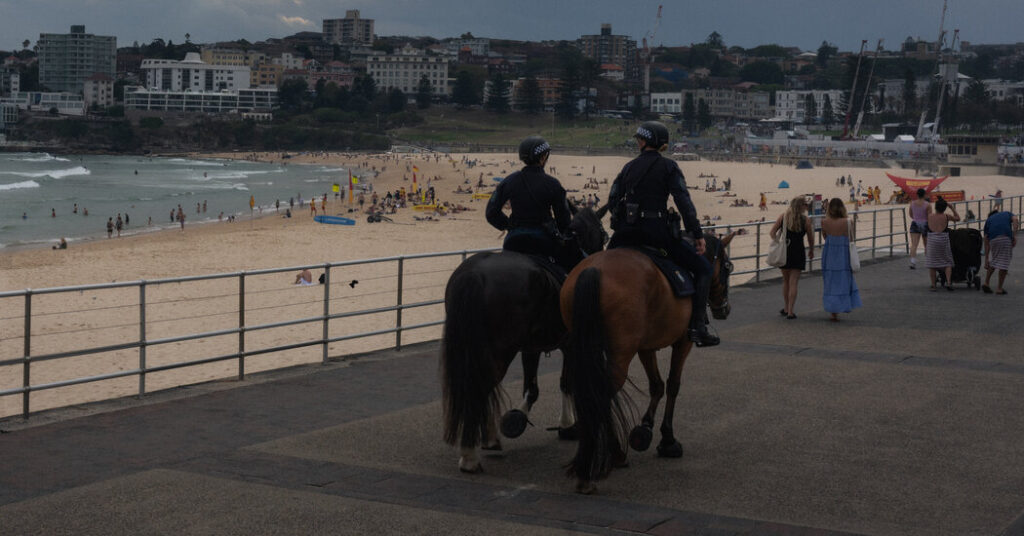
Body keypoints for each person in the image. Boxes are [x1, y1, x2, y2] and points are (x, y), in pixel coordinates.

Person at [606, 121, 719, 347]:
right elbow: (683, 203)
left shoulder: (628, 168)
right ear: (662, 144)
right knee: (704, 269)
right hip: (657, 233)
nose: (638, 141)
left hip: (625, 235)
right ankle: (698, 326)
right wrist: (697, 234)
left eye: (640, 139)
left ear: (644, 141)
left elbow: (612, 200)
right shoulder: (669, 167)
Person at [485, 135, 577, 273]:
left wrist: (508, 225)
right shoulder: (553, 184)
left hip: (513, 240)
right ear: (543, 157)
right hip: (543, 240)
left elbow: (491, 212)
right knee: (564, 275)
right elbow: (563, 221)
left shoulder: (509, 181)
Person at [770, 196, 814, 319]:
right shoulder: (805, 220)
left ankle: (785, 307)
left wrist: (778, 242)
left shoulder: (783, 217)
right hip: (798, 251)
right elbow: (810, 237)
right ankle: (790, 311)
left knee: (786, 281)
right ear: (801, 206)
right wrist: (811, 250)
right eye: (805, 204)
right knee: (794, 281)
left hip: (785, 250)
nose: (806, 206)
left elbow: (772, 232)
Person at [821, 198, 862, 321]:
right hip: (843, 254)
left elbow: (825, 237)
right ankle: (843, 305)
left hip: (829, 254)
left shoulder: (824, 222)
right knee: (844, 280)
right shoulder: (848, 222)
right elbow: (852, 238)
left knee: (830, 281)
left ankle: (833, 310)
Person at [924, 197, 960, 291]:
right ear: (944, 208)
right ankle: (948, 282)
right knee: (947, 262)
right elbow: (958, 218)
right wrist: (952, 208)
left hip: (932, 240)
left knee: (932, 264)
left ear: (935, 207)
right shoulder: (946, 216)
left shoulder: (929, 216)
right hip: (943, 239)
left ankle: (933, 285)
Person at [982, 209, 1018, 295]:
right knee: (1004, 263)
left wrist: (986, 259)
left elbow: (986, 241)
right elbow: (1015, 220)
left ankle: (986, 283)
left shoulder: (988, 220)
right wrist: (1014, 236)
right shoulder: (1006, 213)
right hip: (1005, 237)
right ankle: (999, 288)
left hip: (993, 240)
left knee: (995, 260)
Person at [907, 188, 931, 269]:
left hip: (915, 223)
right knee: (926, 244)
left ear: (917, 194)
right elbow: (929, 216)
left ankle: (913, 262)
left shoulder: (912, 203)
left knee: (914, 244)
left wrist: (916, 218)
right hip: (925, 223)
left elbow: (910, 214)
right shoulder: (927, 204)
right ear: (924, 195)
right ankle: (928, 261)